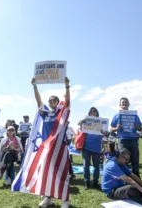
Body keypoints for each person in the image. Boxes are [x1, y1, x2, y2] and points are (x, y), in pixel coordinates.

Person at [31, 76, 70, 208]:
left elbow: (68, 101)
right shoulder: (45, 113)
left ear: (58, 102)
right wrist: (35, 86)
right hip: (47, 147)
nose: (51, 101)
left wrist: (67, 86)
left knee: (61, 173)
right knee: (46, 173)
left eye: (54, 100)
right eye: (50, 100)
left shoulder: (61, 113)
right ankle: (48, 198)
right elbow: (38, 101)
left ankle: (65, 200)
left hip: (60, 146)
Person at [110, 97, 142, 177]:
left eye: (126, 102)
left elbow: (140, 129)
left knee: (135, 161)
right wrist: (116, 128)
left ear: (129, 104)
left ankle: (136, 179)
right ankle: (124, 179)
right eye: (123, 102)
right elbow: (111, 129)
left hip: (133, 140)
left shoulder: (135, 116)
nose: (124, 103)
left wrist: (136, 126)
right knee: (122, 161)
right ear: (120, 105)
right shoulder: (116, 116)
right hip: (122, 141)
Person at [78, 107, 103, 190]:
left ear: (97, 113)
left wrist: (105, 133)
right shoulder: (86, 121)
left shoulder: (102, 122)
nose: (93, 112)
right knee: (86, 166)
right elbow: (79, 128)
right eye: (91, 111)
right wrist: (81, 122)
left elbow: (106, 135)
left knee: (97, 166)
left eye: (95, 111)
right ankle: (87, 182)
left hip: (97, 148)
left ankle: (95, 182)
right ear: (89, 113)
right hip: (86, 147)